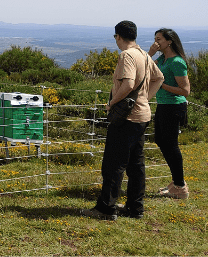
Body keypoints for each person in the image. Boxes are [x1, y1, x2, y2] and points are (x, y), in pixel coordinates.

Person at [82, 21, 163, 220]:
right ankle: (135, 208)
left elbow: (128, 84)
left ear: (118, 36)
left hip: (127, 117)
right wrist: (145, 99)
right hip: (142, 116)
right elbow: (159, 78)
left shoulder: (126, 55)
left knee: (113, 164)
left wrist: (112, 103)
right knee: (136, 165)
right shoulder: (144, 55)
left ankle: (106, 209)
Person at [149, 28, 191, 199]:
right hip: (163, 105)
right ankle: (176, 182)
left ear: (169, 41)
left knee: (171, 145)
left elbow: (185, 91)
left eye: (159, 39)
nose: (156, 42)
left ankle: (180, 187)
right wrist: (150, 53)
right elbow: (146, 68)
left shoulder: (177, 62)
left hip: (174, 107)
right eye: (155, 39)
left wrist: (162, 85)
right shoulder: (162, 59)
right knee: (160, 140)